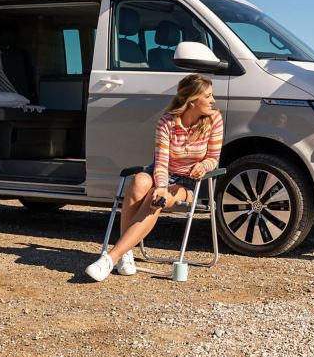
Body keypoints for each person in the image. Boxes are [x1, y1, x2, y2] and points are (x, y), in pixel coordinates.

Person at [85, 73, 224, 282]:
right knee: (139, 182)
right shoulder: (166, 122)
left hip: (187, 182)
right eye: (208, 96)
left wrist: (203, 165)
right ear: (192, 100)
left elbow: (213, 157)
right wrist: (161, 185)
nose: (213, 100)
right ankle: (127, 254)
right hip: (162, 173)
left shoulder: (214, 119)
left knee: (155, 198)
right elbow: (161, 162)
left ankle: (111, 258)